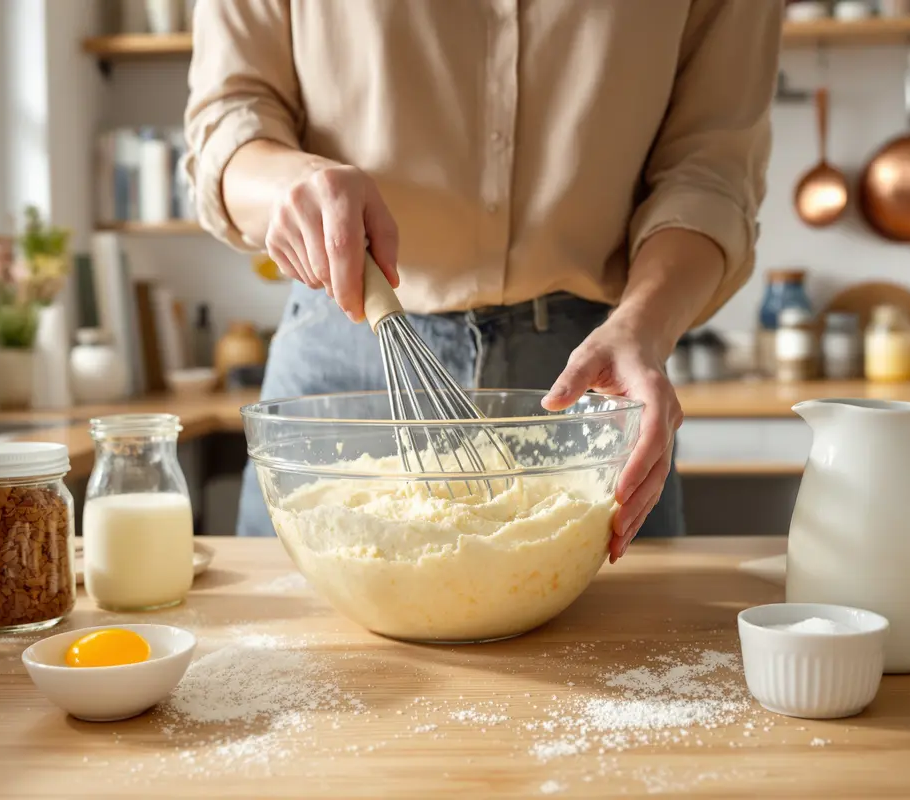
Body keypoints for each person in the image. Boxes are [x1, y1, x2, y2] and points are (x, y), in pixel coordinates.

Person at [185, 1, 781, 560]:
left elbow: (710, 173)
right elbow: (227, 121)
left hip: (590, 378)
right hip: (345, 352)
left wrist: (643, 327)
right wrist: (287, 183)